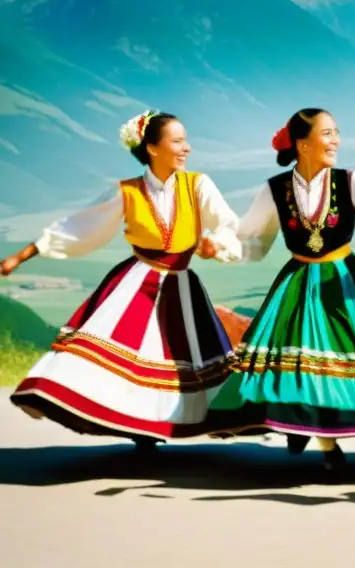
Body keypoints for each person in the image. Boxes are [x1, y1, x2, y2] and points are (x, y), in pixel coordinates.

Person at [206, 108, 355, 472]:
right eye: (327, 134)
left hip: (343, 283)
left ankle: (315, 430)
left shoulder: (352, 181)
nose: (336, 141)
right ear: (302, 145)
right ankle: (325, 443)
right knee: (305, 362)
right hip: (299, 284)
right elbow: (251, 240)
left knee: (334, 363)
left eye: (336, 133)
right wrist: (219, 248)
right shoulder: (275, 189)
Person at [4, 111, 245, 448]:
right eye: (177, 141)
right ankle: (136, 428)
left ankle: (164, 425)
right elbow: (78, 228)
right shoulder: (128, 192)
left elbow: (228, 225)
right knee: (125, 358)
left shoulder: (198, 185)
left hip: (180, 287)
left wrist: (215, 245)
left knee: (181, 362)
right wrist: (22, 255)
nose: (186, 148)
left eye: (185, 140)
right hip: (136, 285)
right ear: (152, 148)